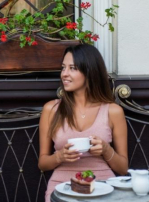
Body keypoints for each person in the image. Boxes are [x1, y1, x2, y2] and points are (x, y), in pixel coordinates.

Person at [38, 44, 128, 202]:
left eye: (72, 68)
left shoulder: (113, 111)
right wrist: (60, 156)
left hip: (103, 186)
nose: (64, 74)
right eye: (63, 68)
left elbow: (123, 168)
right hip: (62, 187)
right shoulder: (51, 109)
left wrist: (106, 150)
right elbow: (43, 163)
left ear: (90, 71)